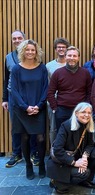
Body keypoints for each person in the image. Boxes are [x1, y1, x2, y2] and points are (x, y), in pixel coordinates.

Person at [10, 39, 48, 180]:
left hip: (39, 108)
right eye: (27, 49)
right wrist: (25, 107)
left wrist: (39, 105)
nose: (30, 52)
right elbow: (14, 90)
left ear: (36, 52)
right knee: (24, 138)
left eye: (33, 50)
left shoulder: (42, 68)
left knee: (40, 138)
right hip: (21, 110)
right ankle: (28, 166)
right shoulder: (16, 69)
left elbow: (46, 88)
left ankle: (42, 164)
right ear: (22, 51)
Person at [47, 102, 95, 194]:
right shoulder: (66, 126)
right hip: (62, 161)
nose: (87, 115)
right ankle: (57, 182)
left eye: (89, 113)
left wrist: (84, 157)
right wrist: (75, 163)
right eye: (83, 112)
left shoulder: (88, 125)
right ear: (76, 113)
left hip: (77, 156)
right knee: (83, 173)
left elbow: (90, 145)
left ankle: (84, 180)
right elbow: (57, 150)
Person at [2, 30, 38, 167]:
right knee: (16, 127)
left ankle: (34, 153)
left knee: (33, 125)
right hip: (13, 98)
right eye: (14, 39)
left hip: (31, 95)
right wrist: (5, 98)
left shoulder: (33, 56)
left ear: (24, 39)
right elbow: (6, 79)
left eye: (19, 38)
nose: (17, 40)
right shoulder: (9, 57)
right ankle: (17, 154)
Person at [47, 46, 92, 132]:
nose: (72, 58)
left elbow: (89, 92)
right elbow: (50, 92)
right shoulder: (58, 73)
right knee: (62, 136)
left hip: (80, 111)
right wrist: (55, 108)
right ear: (65, 57)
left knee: (78, 137)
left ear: (78, 58)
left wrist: (85, 107)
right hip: (62, 111)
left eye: (74, 56)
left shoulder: (85, 73)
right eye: (69, 55)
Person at [46, 37, 70, 144]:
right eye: (59, 47)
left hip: (67, 102)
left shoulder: (72, 64)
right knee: (54, 127)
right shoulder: (49, 66)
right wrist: (51, 103)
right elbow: (47, 86)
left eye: (63, 47)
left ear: (67, 49)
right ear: (55, 49)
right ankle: (54, 152)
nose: (61, 49)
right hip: (53, 101)